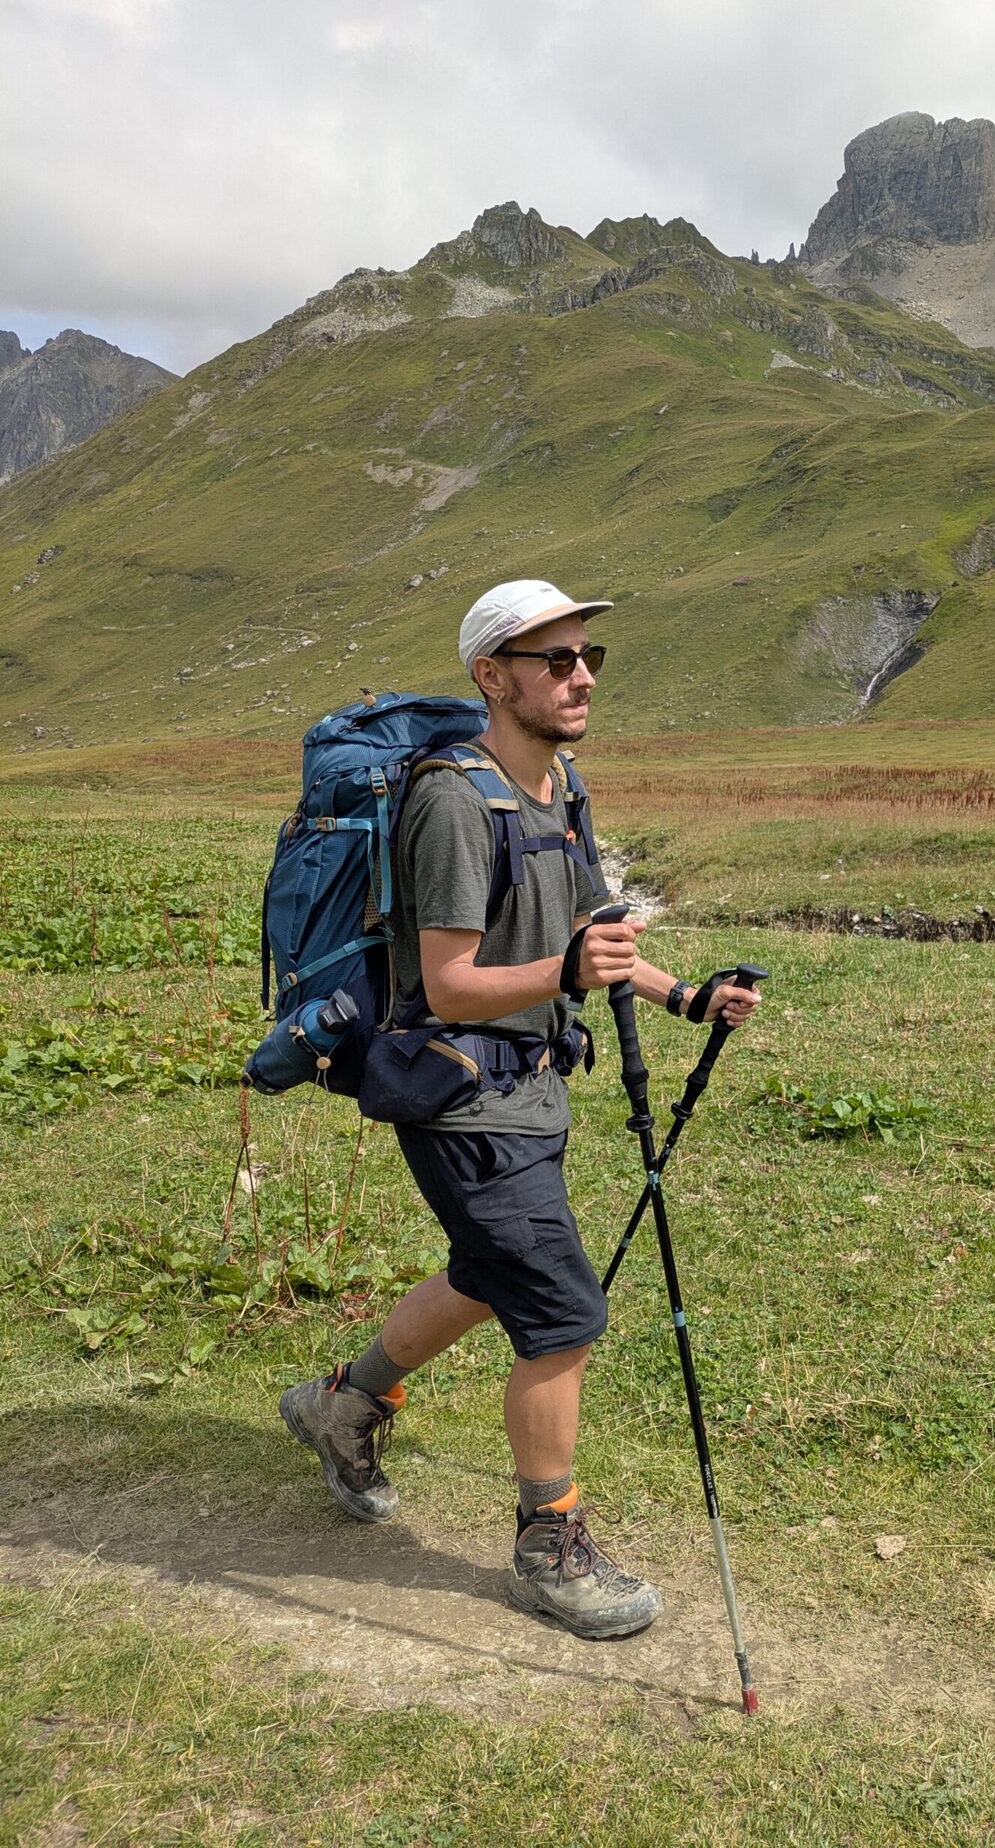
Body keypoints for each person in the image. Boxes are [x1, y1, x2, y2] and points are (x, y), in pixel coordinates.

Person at [279, 578, 761, 1641]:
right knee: (561, 1314)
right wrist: (573, 977)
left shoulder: (558, 785)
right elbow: (448, 985)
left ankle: (341, 1404)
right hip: (457, 1098)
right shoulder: (453, 801)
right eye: (553, 659)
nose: (579, 675)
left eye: (587, 657)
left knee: (485, 1275)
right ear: (491, 677)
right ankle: (550, 1544)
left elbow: (590, 933)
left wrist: (681, 995)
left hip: (527, 1088)